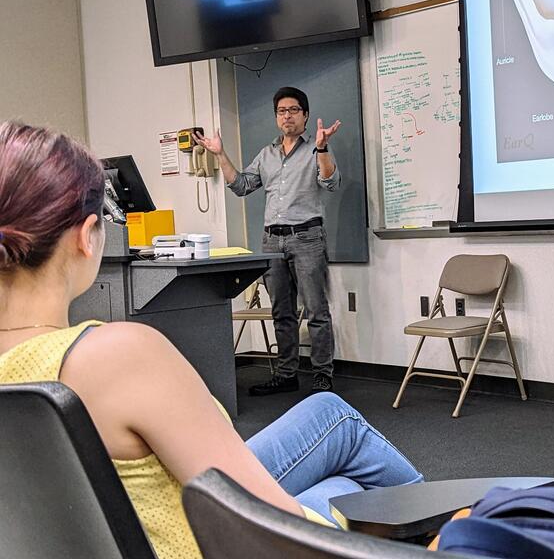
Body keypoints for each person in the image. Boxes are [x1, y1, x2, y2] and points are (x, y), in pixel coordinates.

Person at [0, 121, 423, 559]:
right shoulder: (117, 356)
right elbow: (278, 532)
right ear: (87, 237)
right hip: (208, 544)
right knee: (343, 460)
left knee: (334, 452)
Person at [194, 86, 341, 396]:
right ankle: (287, 373)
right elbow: (242, 185)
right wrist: (220, 154)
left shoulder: (316, 149)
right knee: (281, 311)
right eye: (281, 111)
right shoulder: (267, 154)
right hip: (272, 241)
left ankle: (322, 376)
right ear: (277, 118)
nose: (287, 115)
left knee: (316, 310)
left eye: (293, 110)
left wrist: (324, 148)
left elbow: (330, 182)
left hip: (307, 237)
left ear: (305, 115)